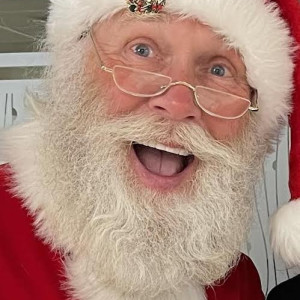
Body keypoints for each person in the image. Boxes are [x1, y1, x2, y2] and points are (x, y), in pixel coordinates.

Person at [0, 0, 299, 299]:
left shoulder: (236, 284)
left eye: (220, 70)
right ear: (73, 69)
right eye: (141, 50)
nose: (178, 104)